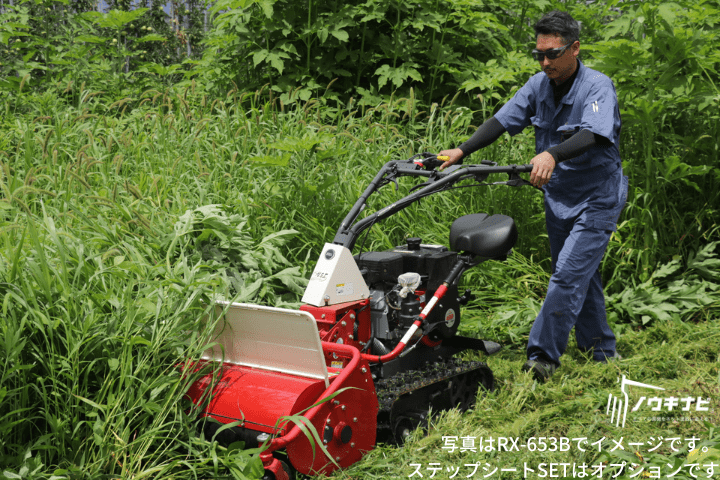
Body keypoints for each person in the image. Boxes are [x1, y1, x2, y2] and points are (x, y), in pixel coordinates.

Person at [439, 10, 628, 382]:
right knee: (577, 274)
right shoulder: (538, 85)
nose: (545, 63)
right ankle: (601, 349)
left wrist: (552, 153)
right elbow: (502, 119)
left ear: (575, 48)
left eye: (553, 54)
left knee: (567, 276)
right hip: (559, 197)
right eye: (539, 55)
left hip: (597, 197)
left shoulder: (596, 86)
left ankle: (541, 359)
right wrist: (460, 151)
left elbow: (593, 134)